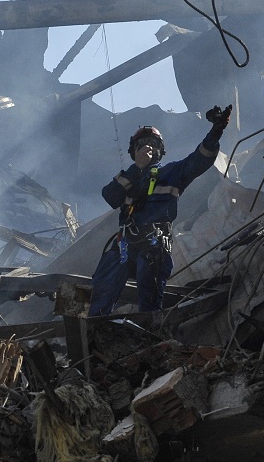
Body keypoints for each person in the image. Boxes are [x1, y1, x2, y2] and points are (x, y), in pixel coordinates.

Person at [89, 104, 232, 316]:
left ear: (161, 151)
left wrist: (216, 131)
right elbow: (110, 196)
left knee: (149, 302)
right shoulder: (128, 177)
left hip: (153, 244)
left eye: (153, 144)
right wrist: (136, 169)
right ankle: (87, 332)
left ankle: (149, 338)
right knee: (99, 291)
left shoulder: (172, 172)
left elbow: (200, 159)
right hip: (124, 245)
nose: (147, 147)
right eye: (142, 144)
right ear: (133, 152)